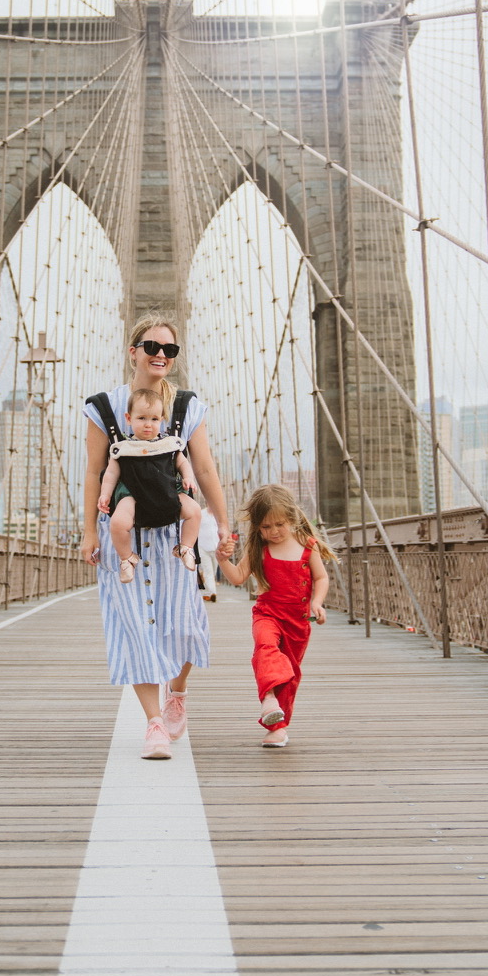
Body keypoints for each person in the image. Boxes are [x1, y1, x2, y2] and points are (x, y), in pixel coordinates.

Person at [81, 315, 232, 760]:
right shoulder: (105, 409)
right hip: (124, 538)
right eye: (152, 347)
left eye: (170, 349)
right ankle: (153, 724)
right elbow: (95, 471)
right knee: (133, 627)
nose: (161, 355)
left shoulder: (186, 407)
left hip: (172, 537)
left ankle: (177, 692)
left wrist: (222, 524)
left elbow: (203, 470)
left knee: (185, 624)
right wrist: (89, 529)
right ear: (133, 351)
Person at [216, 483, 332, 749]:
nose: (273, 532)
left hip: (298, 621)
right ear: (258, 527)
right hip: (267, 613)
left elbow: (321, 577)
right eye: (266, 527)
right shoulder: (259, 548)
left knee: (290, 674)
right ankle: (268, 698)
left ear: (291, 518)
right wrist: (222, 560)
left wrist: (317, 602)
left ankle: (278, 728)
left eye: (279, 524)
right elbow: (237, 577)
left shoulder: (308, 546)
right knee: (265, 647)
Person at [97, 387, 202, 583]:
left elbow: (182, 462)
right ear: (128, 418)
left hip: (168, 492)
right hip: (134, 496)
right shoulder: (123, 448)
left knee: (195, 511)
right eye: (142, 418)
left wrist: (188, 477)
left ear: (161, 419)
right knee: (117, 523)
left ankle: (186, 547)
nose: (148, 424)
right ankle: (127, 559)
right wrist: (105, 494)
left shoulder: (169, 444)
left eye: (154, 419)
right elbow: (111, 473)